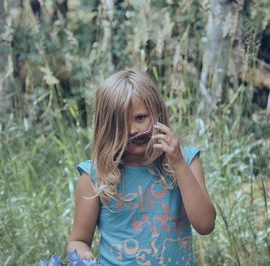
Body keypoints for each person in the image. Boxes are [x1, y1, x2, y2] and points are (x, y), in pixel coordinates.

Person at [67, 69, 216, 265]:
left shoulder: (186, 162)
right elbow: (78, 241)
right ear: (107, 127)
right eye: (121, 123)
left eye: (140, 118)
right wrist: (83, 256)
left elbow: (206, 225)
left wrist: (178, 164)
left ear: (157, 113)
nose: (133, 130)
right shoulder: (95, 176)